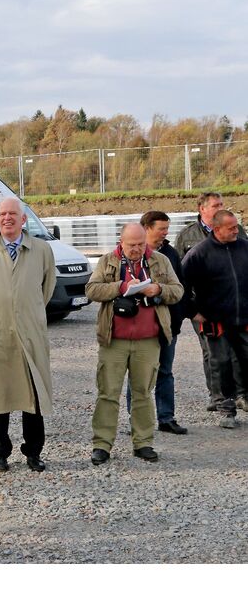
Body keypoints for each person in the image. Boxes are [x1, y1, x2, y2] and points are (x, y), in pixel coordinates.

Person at [0, 197, 56, 473]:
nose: (7, 218)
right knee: (1, 394)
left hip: (31, 333)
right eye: (3, 214)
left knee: (34, 394)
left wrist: (26, 311)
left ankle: (33, 452)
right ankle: (0, 453)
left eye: (13, 214)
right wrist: (2, 313)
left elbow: (46, 288)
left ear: (23, 219)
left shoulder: (41, 249)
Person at [86, 223, 183, 465]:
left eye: (141, 244)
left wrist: (158, 289)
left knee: (143, 393)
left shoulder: (160, 261)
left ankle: (143, 443)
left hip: (148, 340)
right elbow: (91, 290)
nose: (137, 249)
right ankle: (102, 445)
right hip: (114, 341)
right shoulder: (107, 261)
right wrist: (120, 287)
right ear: (121, 242)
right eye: (131, 245)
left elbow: (178, 291)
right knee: (108, 394)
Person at [175, 192, 248, 412]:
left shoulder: (242, 242)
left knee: (241, 357)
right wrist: (192, 311)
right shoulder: (195, 247)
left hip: (240, 313)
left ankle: (242, 396)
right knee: (218, 359)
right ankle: (221, 402)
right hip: (211, 315)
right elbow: (180, 282)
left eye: (222, 204)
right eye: (216, 205)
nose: (235, 231)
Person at [122, 212, 188, 434]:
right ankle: (136, 420)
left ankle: (166, 418)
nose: (165, 233)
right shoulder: (126, 257)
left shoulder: (170, 254)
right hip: (139, 326)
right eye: (161, 228)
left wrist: (164, 297)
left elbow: (180, 288)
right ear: (146, 228)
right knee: (138, 375)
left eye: (167, 228)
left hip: (167, 326)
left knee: (165, 372)